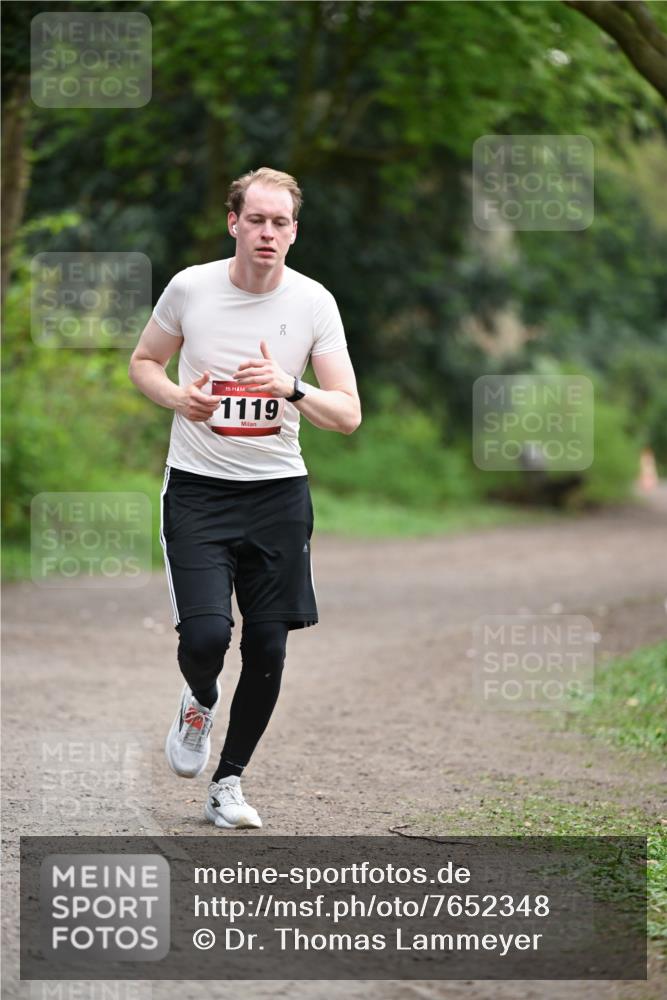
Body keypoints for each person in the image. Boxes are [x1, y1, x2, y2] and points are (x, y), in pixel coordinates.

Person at [128, 167, 361, 829]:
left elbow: (346, 414)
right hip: (198, 492)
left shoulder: (313, 303)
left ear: (294, 231)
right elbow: (144, 361)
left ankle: (228, 783)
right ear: (233, 222)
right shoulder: (191, 289)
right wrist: (179, 398)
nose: (266, 232)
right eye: (255, 219)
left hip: (277, 497)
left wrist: (289, 386)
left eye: (279, 222)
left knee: (269, 646)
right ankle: (199, 698)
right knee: (205, 636)